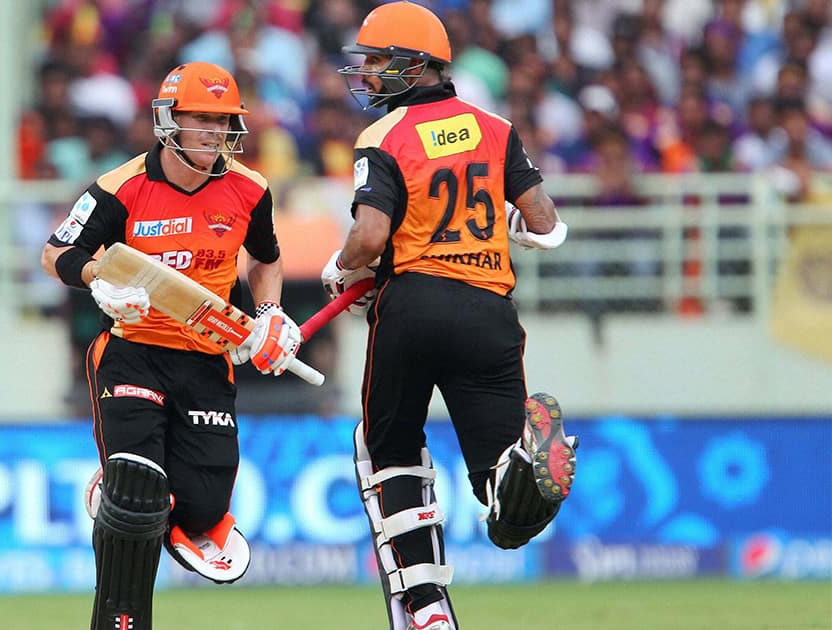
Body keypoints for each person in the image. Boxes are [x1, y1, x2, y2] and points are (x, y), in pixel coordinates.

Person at [319, 4, 578, 629]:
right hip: (490, 311)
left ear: (415, 65)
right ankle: (524, 467)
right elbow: (543, 222)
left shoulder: (382, 137)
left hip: (412, 307)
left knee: (388, 454)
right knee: (499, 498)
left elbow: (371, 235)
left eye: (379, 62)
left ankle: (426, 603)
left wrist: (340, 268)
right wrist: (509, 223)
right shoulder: (494, 126)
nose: (369, 75)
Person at [40, 61, 303, 630]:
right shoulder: (120, 188)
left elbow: (265, 258)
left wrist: (270, 313)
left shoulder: (250, 189)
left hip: (207, 358)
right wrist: (99, 281)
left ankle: (120, 492)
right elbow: (56, 253)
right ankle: (120, 598)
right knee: (137, 489)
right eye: (200, 118)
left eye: (222, 120)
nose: (213, 131)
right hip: (133, 351)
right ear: (168, 120)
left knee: (205, 514)